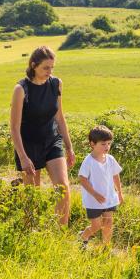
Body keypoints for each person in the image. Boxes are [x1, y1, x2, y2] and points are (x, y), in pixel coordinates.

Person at [10, 45, 75, 226]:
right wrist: (23, 157)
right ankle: (30, 231)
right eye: (46, 68)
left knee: (63, 186)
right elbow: (14, 127)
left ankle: (60, 232)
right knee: (32, 193)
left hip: (52, 141)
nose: (49, 72)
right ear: (33, 65)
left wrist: (69, 147)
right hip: (28, 145)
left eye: (52, 68)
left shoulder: (56, 84)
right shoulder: (21, 89)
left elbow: (60, 117)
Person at [78, 125, 123, 248]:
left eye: (109, 143)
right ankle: (83, 236)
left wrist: (119, 192)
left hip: (109, 198)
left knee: (108, 223)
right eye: (103, 144)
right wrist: (95, 194)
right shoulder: (89, 161)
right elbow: (82, 179)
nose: (107, 147)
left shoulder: (110, 159)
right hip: (93, 200)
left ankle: (106, 248)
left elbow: (115, 175)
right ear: (93, 144)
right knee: (96, 226)